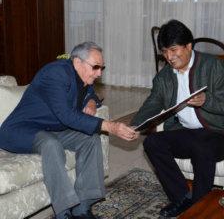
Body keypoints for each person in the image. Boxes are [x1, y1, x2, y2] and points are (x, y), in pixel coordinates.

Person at [0, 41, 138, 219]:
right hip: (21, 129)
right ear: (77, 62)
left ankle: (83, 208)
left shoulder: (82, 75)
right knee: (51, 144)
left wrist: (91, 100)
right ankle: (64, 212)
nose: (99, 73)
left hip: (51, 128)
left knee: (90, 139)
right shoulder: (55, 74)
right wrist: (110, 126)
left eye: (102, 68)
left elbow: (90, 92)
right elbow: (66, 114)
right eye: (95, 67)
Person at [130, 19, 224, 217]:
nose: (169, 57)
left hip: (217, 133)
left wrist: (208, 100)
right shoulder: (164, 76)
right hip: (187, 132)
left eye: (173, 49)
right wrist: (135, 125)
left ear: (189, 46)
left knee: (202, 146)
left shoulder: (213, 65)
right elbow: (153, 103)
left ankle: (200, 205)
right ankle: (182, 198)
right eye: (164, 51)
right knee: (153, 142)